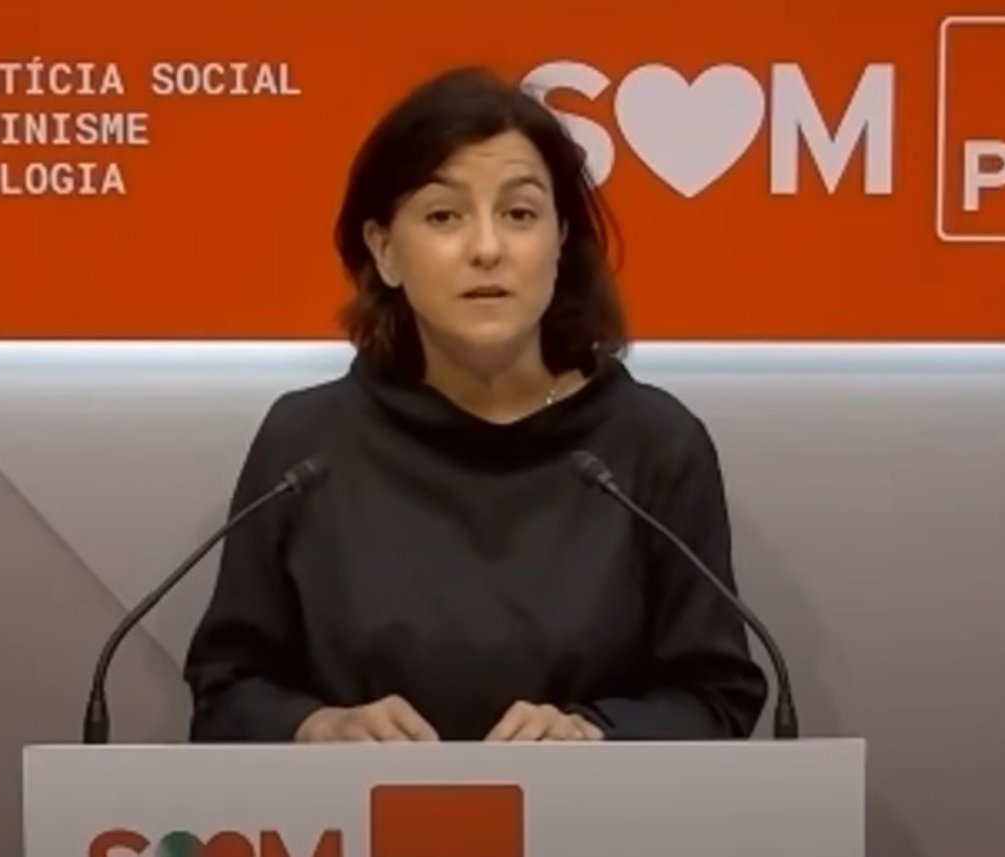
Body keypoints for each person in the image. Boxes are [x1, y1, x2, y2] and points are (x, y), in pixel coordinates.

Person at [182, 66, 768, 743]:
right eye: (444, 216)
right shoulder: (307, 443)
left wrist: (595, 737)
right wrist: (315, 728)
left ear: (560, 241)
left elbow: (718, 697)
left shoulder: (653, 443)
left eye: (519, 214)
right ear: (385, 250)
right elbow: (225, 689)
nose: (487, 249)